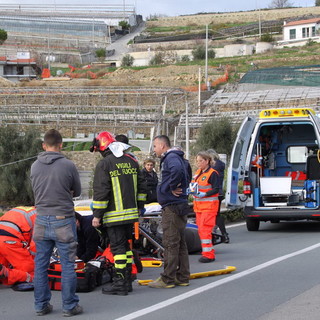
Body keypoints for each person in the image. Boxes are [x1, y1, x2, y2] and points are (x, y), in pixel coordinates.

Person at [30, 129, 82, 317]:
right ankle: (69, 306)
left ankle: (41, 305)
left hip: (42, 218)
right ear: (61, 145)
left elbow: (34, 190)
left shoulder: (35, 166)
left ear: (44, 145)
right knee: (68, 264)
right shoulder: (68, 165)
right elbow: (76, 191)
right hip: (63, 220)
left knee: (40, 264)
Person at [90, 131, 147, 296]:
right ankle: (127, 281)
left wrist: (97, 215)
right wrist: (139, 206)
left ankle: (120, 283)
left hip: (114, 216)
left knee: (118, 250)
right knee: (126, 249)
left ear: (102, 146)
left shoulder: (105, 164)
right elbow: (142, 187)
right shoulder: (132, 161)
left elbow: (101, 192)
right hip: (131, 215)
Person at [148, 135, 190, 288]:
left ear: (162, 145)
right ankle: (183, 276)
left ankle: (167, 279)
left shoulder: (171, 158)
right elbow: (187, 172)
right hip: (179, 204)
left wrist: (170, 188)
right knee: (180, 243)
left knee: (171, 243)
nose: (154, 150)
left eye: (154, 146)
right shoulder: (178, 156)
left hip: (172, 206)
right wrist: (181, 186)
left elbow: (178, 170)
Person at [192, 151, 220, 263]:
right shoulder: (198, 172)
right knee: (201, 230)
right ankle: (206, 251)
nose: (198, 163)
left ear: (207, 161)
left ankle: (209, 255)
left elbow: (216, 188)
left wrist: (205, 194)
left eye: (201, 161)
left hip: (208, 207)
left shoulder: (213, 173)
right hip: (199, 207)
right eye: (197, 161)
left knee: (205, 230)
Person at [0, 206, 37, 286]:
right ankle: (4, 273)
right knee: (29, 270)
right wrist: (34, 261)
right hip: (10, 241)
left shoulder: (23, 209)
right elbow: (35, 244)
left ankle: (3, 272)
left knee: (4, 264)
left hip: (5, 238)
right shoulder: (41, 216)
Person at [207, 149, 229, 243]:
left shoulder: (213, 166)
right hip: (219, 192)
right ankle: (223, 234)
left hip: (212, 193)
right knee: (217, 214)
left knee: (213, 215)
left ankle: (220, 234)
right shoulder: (220, 164)